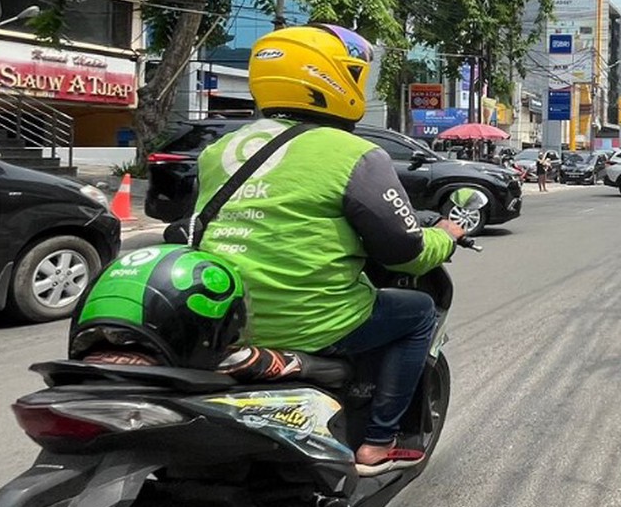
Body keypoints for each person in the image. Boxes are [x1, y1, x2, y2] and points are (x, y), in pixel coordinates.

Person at [192, 24, 464, 475]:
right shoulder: (353, 153)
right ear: (335, 80)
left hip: (223, 319)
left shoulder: (221, 147)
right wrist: (447, 235)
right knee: (417, 312)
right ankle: (379, 441)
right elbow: (406, 253)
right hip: (310, 323)